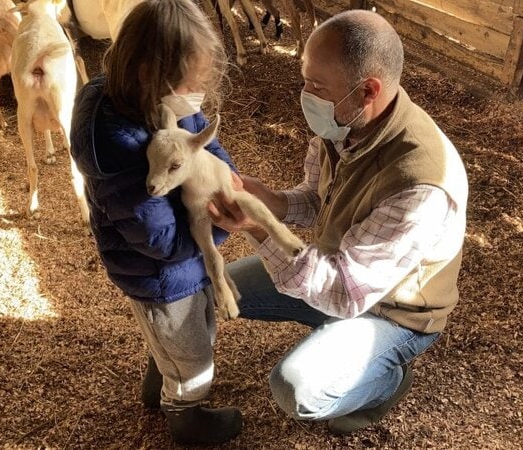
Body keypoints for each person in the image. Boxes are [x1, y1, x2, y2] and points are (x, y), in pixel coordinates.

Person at [210, 10, 469, 435]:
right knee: (214, 285)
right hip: (338, 271)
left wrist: (258, 227)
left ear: (367, 89)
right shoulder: (344, 122)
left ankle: (387, 378)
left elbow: (345, 295)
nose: (304, 95)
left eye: (315, 86)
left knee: (297, 390)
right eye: (305, 80)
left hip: (393, 312)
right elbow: (317, 199)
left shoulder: (419, 184)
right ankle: (335, 343)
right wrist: (270, 201)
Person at [70, 0, 243, 445]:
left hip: (180, 263)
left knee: (192, 324)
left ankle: (161, 375)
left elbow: (202, 139)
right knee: (193, 351)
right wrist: (220, 222)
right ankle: (186, 412)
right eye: (189, 84)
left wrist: (222, 171)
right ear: (150, 74)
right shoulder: (118, 146)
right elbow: (160, 241)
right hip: (158, 273)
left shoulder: (162, 104)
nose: (195, 95)